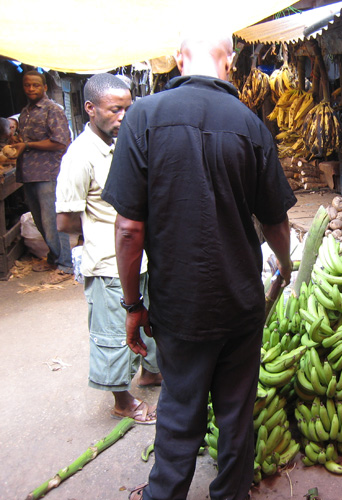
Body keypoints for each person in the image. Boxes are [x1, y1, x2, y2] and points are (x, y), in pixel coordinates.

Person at [102, 30, 296, 500]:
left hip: (180, 306)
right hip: (240, 303)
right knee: (235, 416)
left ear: (176, 59)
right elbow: (276, 221)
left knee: (179, 412)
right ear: (231, 60)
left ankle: (163, 494)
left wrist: (132, 304)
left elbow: (129, 229)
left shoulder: (142, 118)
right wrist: (285, 265)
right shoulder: (252, 126)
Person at [55, 73, 161, 425]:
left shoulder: (124, 144)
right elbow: (66, 220)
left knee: (148, 320)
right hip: (106, 260)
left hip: (138, 256)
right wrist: (93, 238)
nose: (123, 117)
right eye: (115, 110)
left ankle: (149, 373)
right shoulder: (80, 156)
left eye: (127, 110)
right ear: (90, 109)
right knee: (114, 332)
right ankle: (121, 400)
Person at [13, 70, 73, 275]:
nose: (30, 89)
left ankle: (66, 265)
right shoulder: (26, 112)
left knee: (52, 221)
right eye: (27, 85)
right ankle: (54, 258)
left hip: (48, 173)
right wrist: (18, 144)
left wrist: (27, 145)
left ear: (45, 87)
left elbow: (60, 142)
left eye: (35, 85)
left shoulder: (52, 110)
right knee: (40, 221)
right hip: (29, 174)